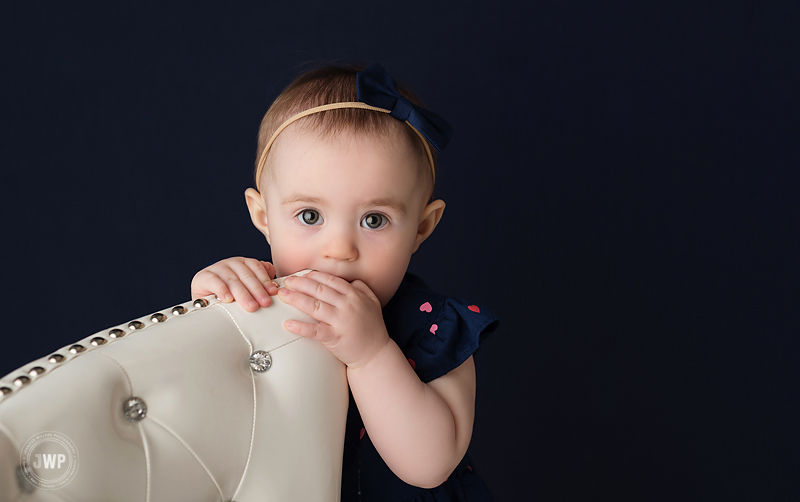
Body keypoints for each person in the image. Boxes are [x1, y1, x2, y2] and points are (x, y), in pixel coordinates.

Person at [191, 63, 499, 501]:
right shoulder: (253, 303)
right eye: (310, 216)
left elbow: (430, 466)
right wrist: (209, 316)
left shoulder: (434, 329)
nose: (340, 249)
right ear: (263, 217)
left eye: (374, 220)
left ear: (421, 228)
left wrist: (372, 354)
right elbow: (205, 433)